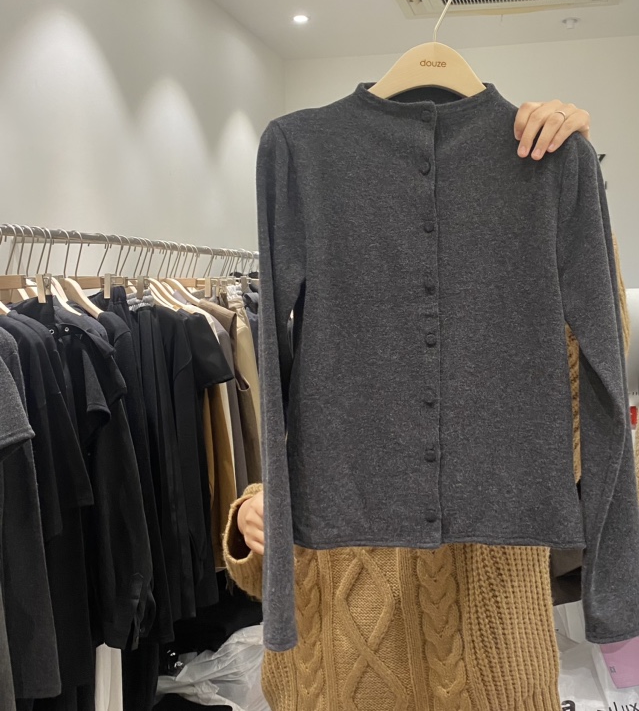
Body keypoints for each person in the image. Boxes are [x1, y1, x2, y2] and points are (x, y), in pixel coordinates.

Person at [225, 99, 595, 711]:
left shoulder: (509, 339)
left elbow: (575, 424)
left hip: (487, 672)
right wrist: (254, 515)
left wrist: (571, 193)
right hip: (332, 674)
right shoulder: (329, 326)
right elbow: (270, 563)